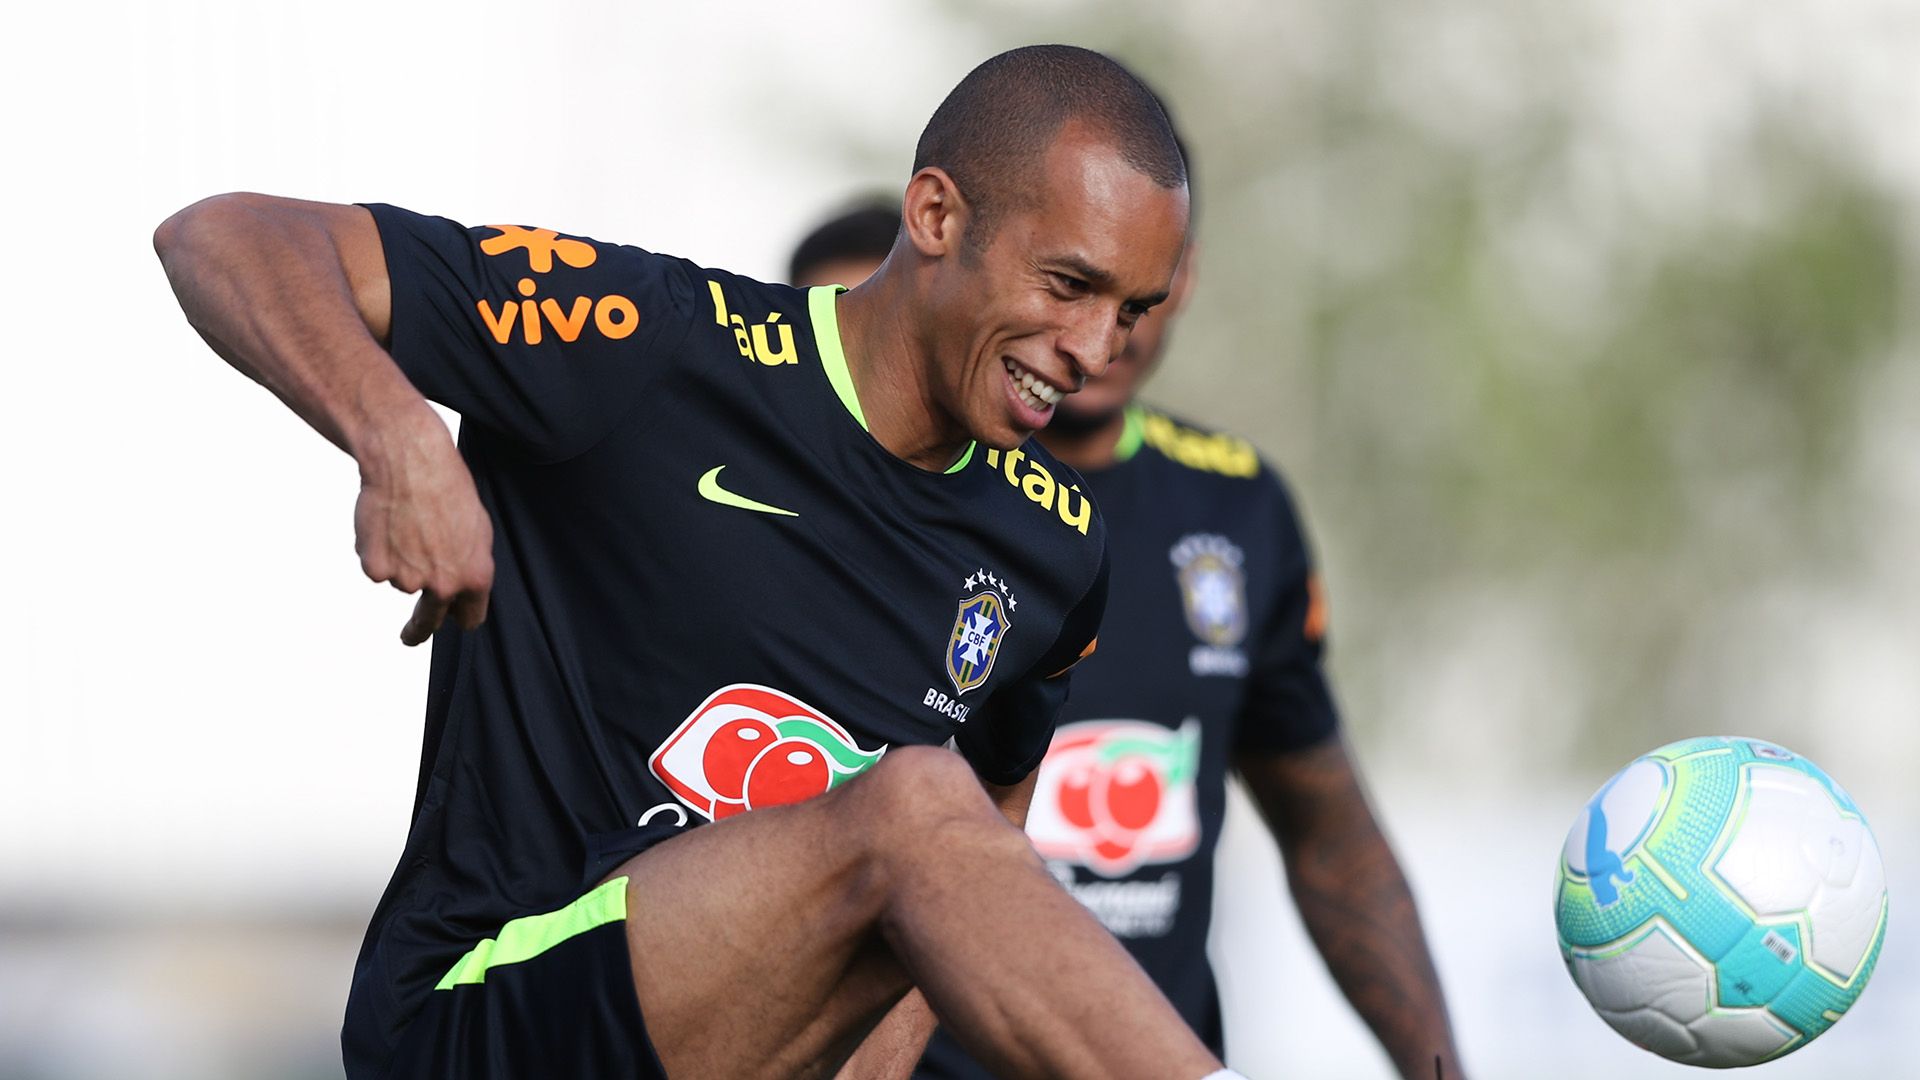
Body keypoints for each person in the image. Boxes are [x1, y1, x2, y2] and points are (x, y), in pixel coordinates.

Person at [154, 46, 1245, 1080]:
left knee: (933, 815)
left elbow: (990, 837)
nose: (1099, 352)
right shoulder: (647, 343)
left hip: (721, 1041)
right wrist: (400, 441)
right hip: (482, 1013)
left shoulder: (1051, 540)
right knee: (912, 803)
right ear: (936, 215)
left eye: (1133, 312)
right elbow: (226, 236)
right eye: (1068, 285)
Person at [791, 129, 1467, 1080]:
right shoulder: (873, 492)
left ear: (1180, 278)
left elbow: (1329, 832)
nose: (1103, 332)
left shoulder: (1236, 506)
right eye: (1071, 278)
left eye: (1136, 290)